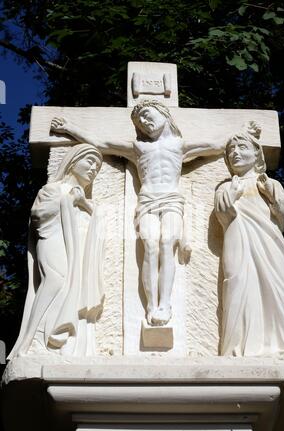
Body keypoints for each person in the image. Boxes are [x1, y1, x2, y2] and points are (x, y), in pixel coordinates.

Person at [51, 100, 223, 326]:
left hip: (171, 200)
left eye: (147, 114)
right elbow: (101, 143)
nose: (144, 121)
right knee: (150, 246)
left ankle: (165, 304)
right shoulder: (139, 148)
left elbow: (217, 145)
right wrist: (69, 129)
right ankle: (151, 305)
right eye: (139, 121)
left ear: (164, 114)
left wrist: (245, 134)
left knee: (167, 244)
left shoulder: (180, 145)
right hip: (148, 201)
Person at [8, 143, 105, 358]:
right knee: (55, 279)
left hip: (72, 250)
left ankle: (48, 338)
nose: (93, 169)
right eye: (89, 162)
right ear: (73, 161)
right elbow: (38, 216)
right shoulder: (53, 189)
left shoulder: (85, 199)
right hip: (51, 238)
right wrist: (70, 200)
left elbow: (96, 221)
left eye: (97, 167)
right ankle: (29, 340)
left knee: (65, 284)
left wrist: (84, 204)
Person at [215, 121, 284, 356]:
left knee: (276, 288)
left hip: (270, 244)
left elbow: (283, 219)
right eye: (231, 151)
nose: (236, 153)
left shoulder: (271, 184)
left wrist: (272, 196)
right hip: (238, 244)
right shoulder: (225, 187)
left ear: (256, 153)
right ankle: (237, 347)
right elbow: (222, 214)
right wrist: (230, 195)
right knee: (238, 285)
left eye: (242, 147)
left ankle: (283, 344)